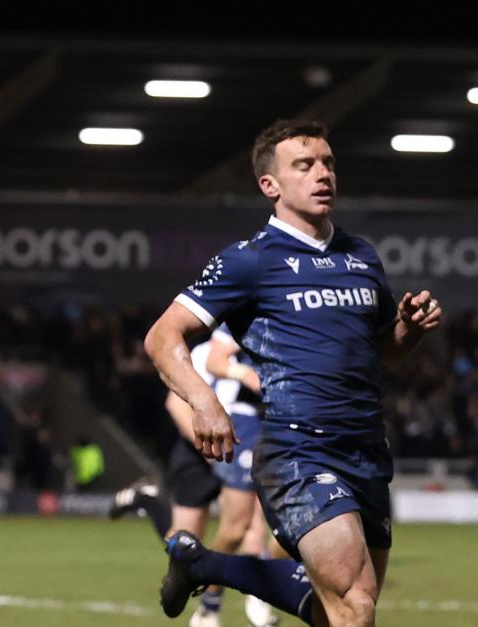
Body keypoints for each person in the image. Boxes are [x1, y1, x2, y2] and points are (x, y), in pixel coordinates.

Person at [144, 119, 442, 626]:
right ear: (270, 185)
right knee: (354, 603)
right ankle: (208, 564)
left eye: (328, 163)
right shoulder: (250, 260)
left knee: (338, 612)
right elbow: (162, 337)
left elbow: (382, 351)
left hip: (368, 450)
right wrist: (205, 401)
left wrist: (408, 331)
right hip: (298, 449)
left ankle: (204, 563)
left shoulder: (362, 257)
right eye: (304, 165)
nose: (322, 174)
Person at [111, 327, 276, 627]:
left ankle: (243, 605)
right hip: (198, 450)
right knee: (181, 541)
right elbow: (174, 405)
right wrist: (210, 453)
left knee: (248, 529)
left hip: (237, 447)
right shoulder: (201, 355)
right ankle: (147, 500)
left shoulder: (256, 357)